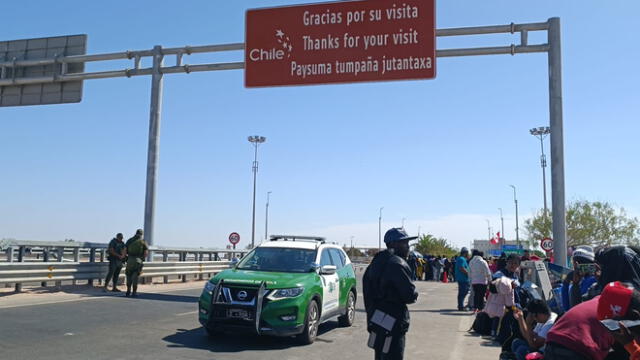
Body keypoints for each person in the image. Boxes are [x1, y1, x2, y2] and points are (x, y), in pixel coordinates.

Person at [363, 228, 419, 360]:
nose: (407, 247)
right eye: (404, 243)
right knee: (393, 354)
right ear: (394, 244)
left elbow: (367, 292)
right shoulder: (396, 264)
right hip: (394, 320)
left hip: (377, 318)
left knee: (380, 353)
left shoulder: (376, 262)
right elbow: (410, 295)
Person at [560, 245, 597, 312]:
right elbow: (567, 308)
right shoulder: (573, 283)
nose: (577, 266)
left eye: (582, 262)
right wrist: (566, 283)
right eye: (575, 262)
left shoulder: (594, 281)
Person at [125, 229, 148, 297]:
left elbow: (125, 250)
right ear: (141, 234)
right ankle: (134, 292)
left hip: (129, 260)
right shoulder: (143, 241)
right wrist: (142, 259)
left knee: (128, 275)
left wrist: (126, 258)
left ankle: (128, 290)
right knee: (135, 276)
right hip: (138, 261)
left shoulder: (130, 240)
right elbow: (146, 252)